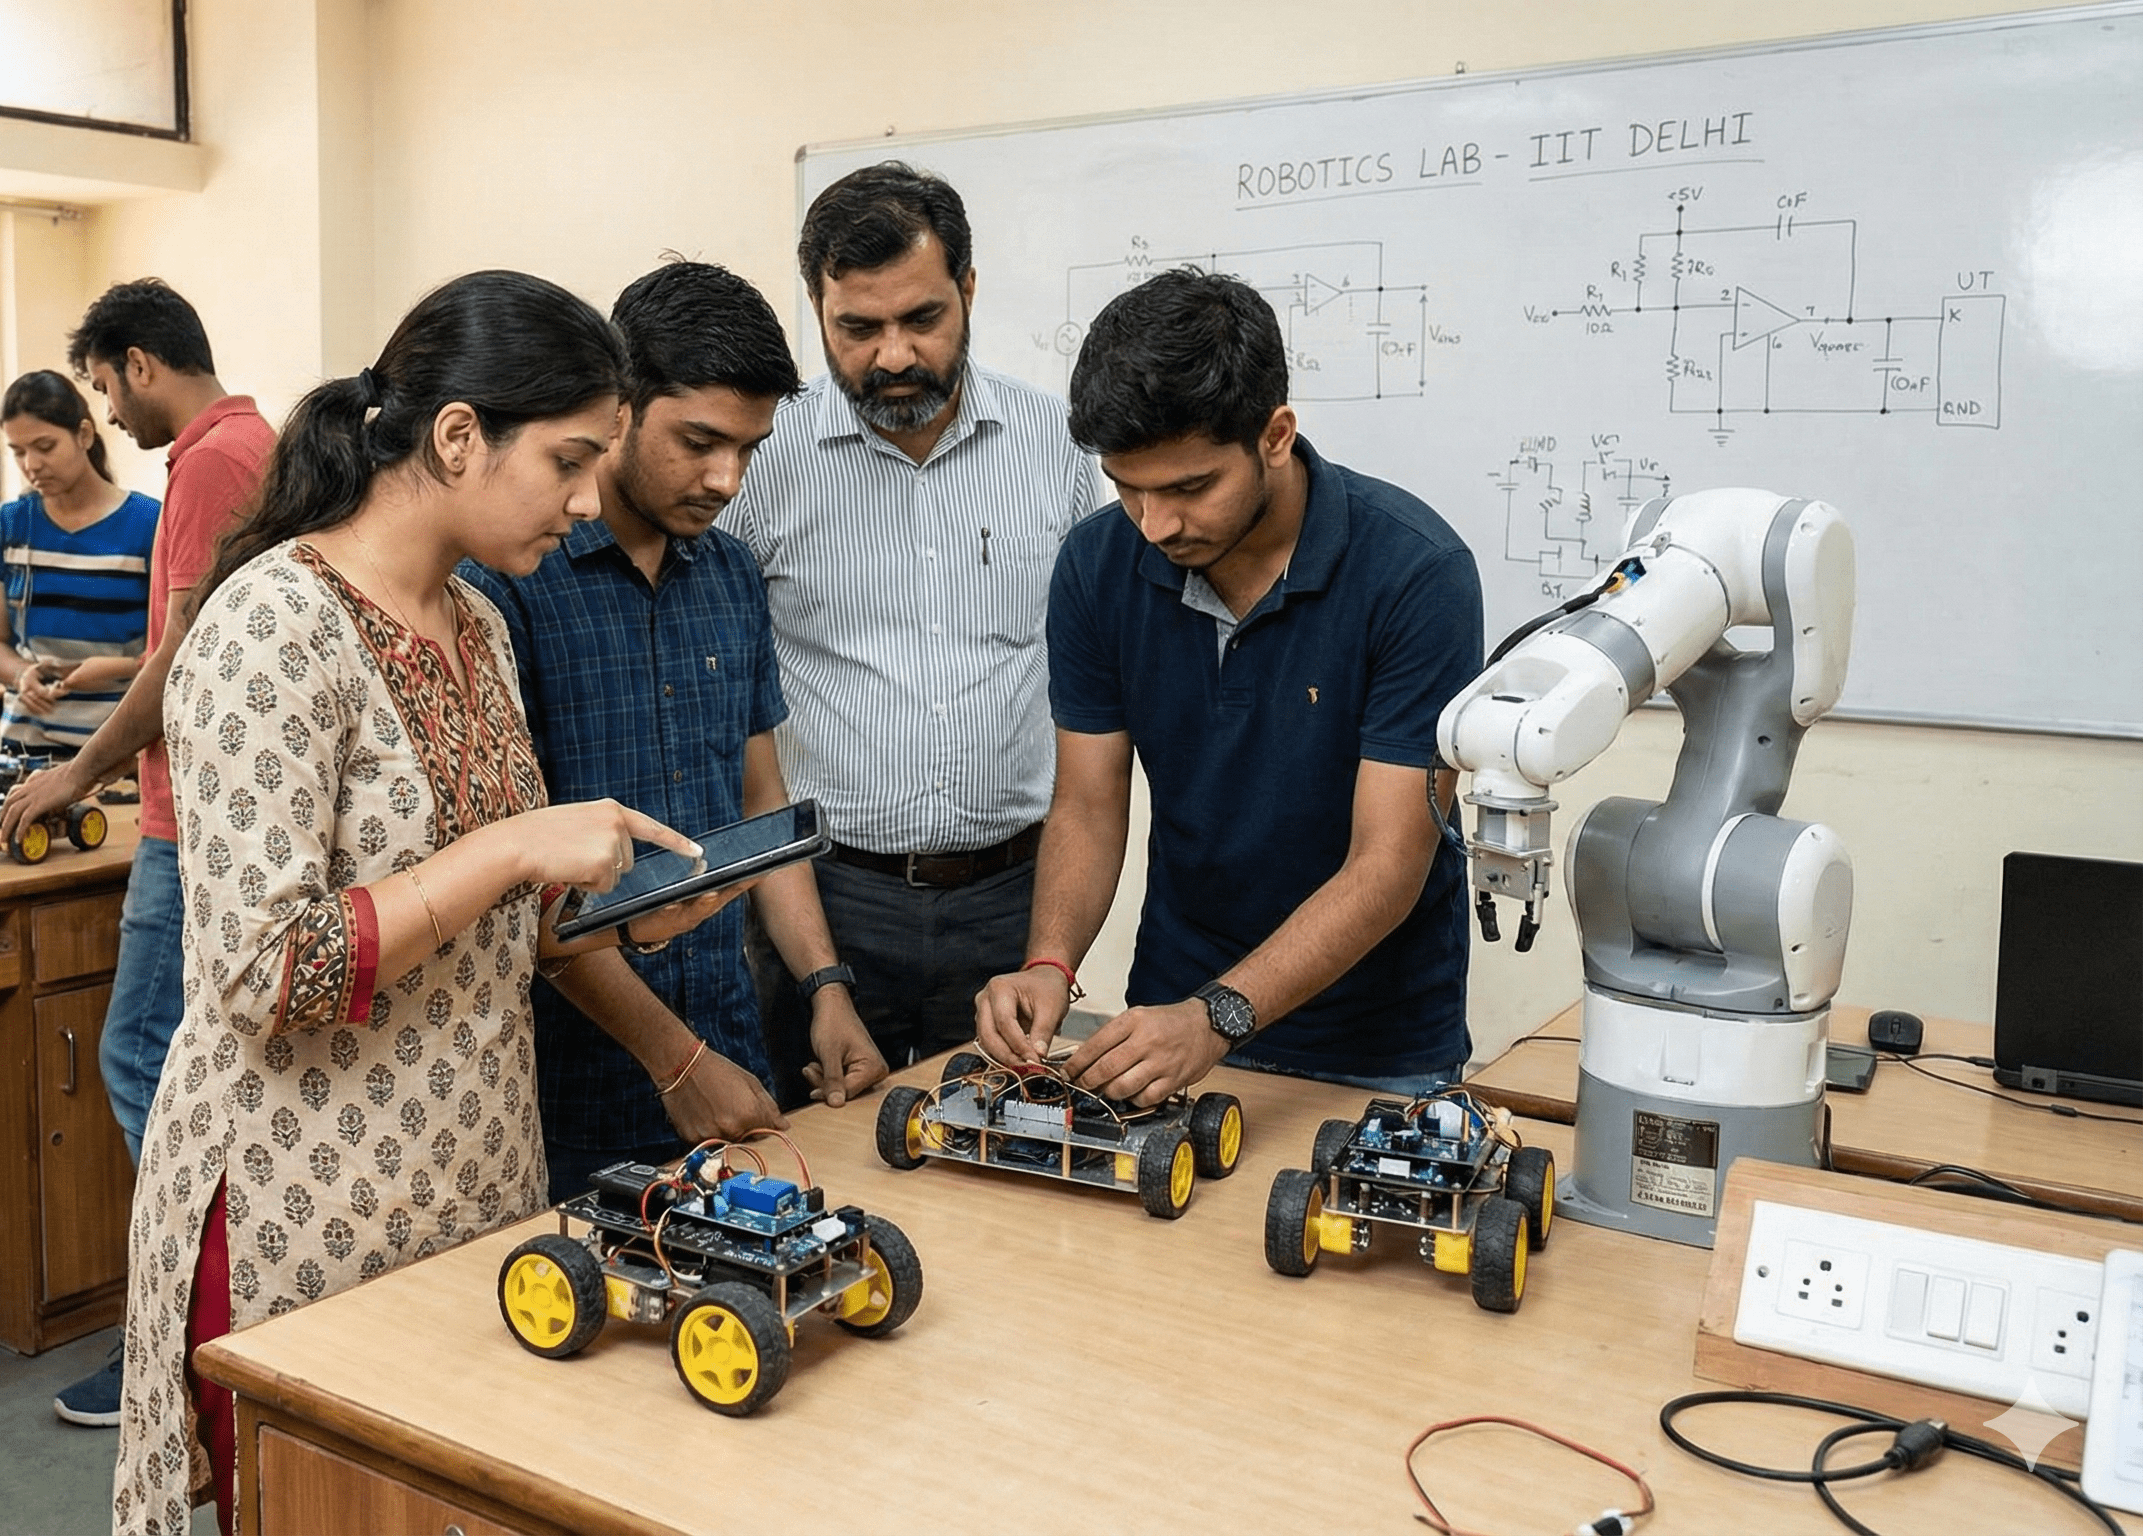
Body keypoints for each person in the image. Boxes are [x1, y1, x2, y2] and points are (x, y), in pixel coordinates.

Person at [111, 269, 730, 1536]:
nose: (583, 499)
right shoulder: (269, 628)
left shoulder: (475, 624)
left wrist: (612, 908)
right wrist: (510, 851)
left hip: (469, 1185)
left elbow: (497, 925)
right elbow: (264, 973)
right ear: (457, 437)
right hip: (300, 1203)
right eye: (565, 460)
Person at [973, 269, 1483, 1105]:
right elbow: (1089, 804)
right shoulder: (1098, 564)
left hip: (1374, 1048)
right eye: (1126, 487)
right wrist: (1048, 962)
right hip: (1167, 1020)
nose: (1155, 524)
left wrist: (1219, 1017)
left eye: (1188, 488)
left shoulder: (1415, 574)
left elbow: (1388, 864)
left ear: (1274, 434)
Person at [463, 260, 886, 1201]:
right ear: (619, 410)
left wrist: (824, 987)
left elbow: (759, 806)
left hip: (727, 1046)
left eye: (749, 447)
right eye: (698, 441)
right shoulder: (506, 584)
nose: (726, 477)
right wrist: (673, 1061)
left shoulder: (731, 575)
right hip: (567, 1083)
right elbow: (521, 887)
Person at [726, 161, 1099, 1070]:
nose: (891, 355)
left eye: (921, 319)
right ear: (815, 308)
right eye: (856, 328)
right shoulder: (760, 461)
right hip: (823, 899)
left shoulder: (1057, 448)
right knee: (817, 1160)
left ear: (967, 291)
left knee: (994, 1159)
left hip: (1013, 895)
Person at [3, 283, 276, 1432]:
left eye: (105, 392)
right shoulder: (251, 441)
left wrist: (71, 775)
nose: (110, 415)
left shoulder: (212, 461)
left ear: (138, 364)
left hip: (180, 822)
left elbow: (175, 657)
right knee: (186, 1077)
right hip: (194, 814)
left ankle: (180, 1331)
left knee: (138, 1063)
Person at [0, 371, 159, 757]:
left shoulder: (147, 522)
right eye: (18, 452)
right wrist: (21, 674)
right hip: (24, 752)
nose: (31, 464)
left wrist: (118, 668)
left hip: (115, 754)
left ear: (84, 435)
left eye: (44, 446)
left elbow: (170, 650)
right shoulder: (11, 524)